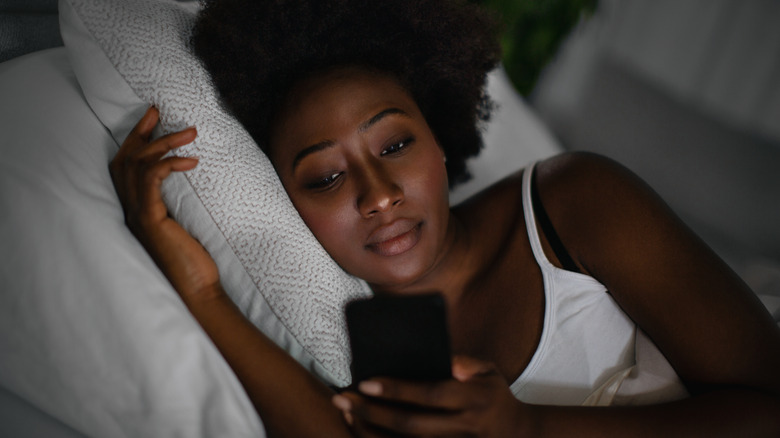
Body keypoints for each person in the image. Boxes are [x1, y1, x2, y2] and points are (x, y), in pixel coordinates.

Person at [109, 0, 780, 436]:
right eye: (326, 177)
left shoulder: (576, 203)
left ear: (437, 137)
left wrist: (528, 429)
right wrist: (201, 292)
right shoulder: (354, 346)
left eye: (395, 145)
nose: (378, 196)